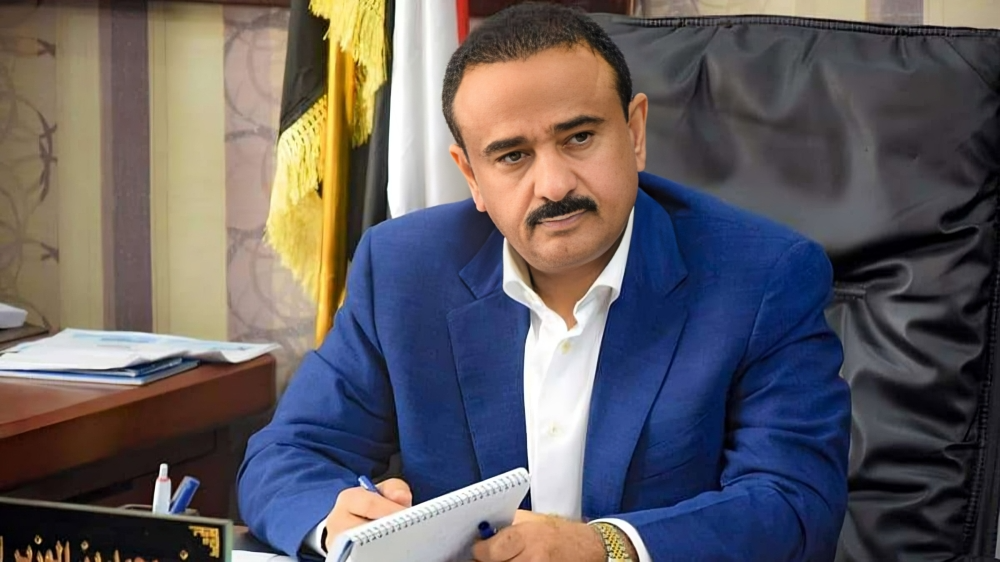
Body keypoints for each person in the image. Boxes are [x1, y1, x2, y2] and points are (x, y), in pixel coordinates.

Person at [237, 3, 851, 561]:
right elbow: (287, 455)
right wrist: (337, 521)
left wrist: (605, 547)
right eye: (512, 156)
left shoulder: (763, 277)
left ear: (635, 133)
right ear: (471, 176)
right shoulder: (403, 270)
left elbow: (794, 506)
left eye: (579, 137)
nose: (554, 185)